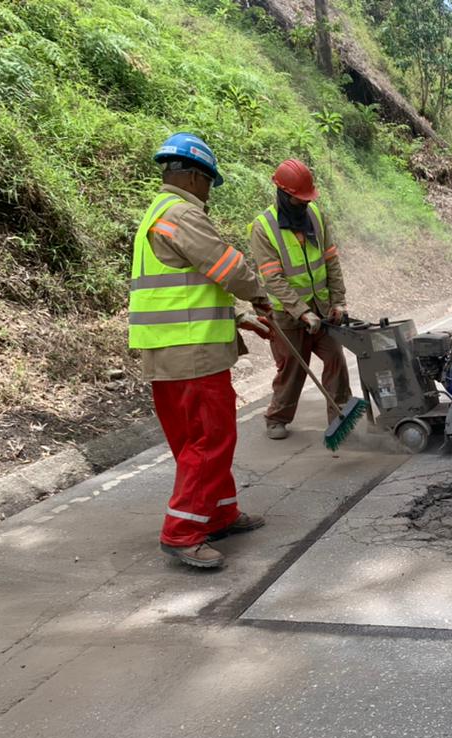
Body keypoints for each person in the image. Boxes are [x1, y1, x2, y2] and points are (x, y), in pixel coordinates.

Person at [130, 132, 273, 569]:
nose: (210, 192)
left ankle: (219, 512)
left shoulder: (157, 214)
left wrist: (238, 319)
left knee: (197, 440)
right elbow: (225, 265)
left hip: (170, 350)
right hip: (192, 355)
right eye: (209, 182)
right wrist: (259, 296)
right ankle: (183, 532)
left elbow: (185, 291)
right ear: (192, 176)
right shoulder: (181, 214)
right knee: (210, 439)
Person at [248, 159, 352, 440]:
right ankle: (276, 418)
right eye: (298, 200)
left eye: (307, 199)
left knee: (335, 360)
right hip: (287, 315)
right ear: (283, 194)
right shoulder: (263, 228)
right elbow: (273, 279)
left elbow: (331, 262)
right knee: (292, 370)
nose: (304, 205)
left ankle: (340, 414)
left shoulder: (316, 216)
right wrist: (301, 311)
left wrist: (338, 301)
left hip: (322, 308)